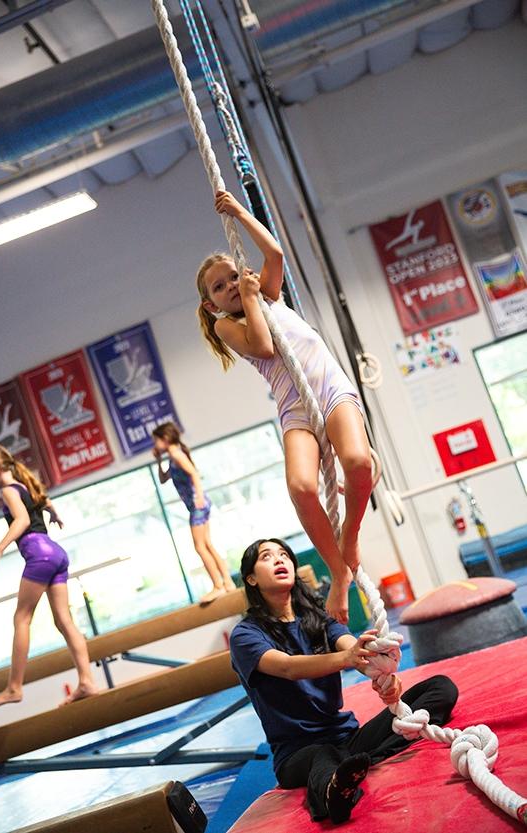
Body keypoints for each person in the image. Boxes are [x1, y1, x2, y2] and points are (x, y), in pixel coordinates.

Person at [196, 189, 373, 623]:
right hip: (296, 409)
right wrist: (252, 299)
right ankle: (338, 573)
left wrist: (239, 212)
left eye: (233, 277)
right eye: (219, 287)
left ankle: (349, 539)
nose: (230, 287)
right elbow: (263, 344)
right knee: (301, 488)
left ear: (246, 274)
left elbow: (274, 252)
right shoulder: (228, 325)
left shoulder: (269, 296)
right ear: (210, 303)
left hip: (330, 389)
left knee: (357, 460)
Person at [230, 538, 458, 825]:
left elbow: (351, 647)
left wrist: (380, 672)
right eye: (267, 556)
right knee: (322, 755)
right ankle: (334, 796)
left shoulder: (317, 618)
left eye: (284, 555)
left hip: (347, 738)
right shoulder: (245, 635)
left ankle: (355, 765)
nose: (279, 560)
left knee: (440, 687)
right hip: (297, 753)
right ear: (250, 578)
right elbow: (288, 667)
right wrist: (349, 657)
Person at [0, 443, 98, 708]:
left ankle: (14, 688)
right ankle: (87, 680)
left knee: (21, 618)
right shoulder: (25, 484)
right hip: (56, 553)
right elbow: (45, 501)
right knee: (64, 621)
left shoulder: (8, 490)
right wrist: (54, 514)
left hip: (39, 552)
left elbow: (22, 520)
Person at [152, 422, 236, 603]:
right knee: (207, 545)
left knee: (199, 547)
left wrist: (198, 496)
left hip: (198, 505)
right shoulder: (173, 456)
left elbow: (194, 474)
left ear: (165, 439)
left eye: (156, 440)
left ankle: (217, 586)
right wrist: (158, 460)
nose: (155, 444)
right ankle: (228, 582)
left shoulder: (176, 454)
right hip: (200, 504)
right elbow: (163, 479)